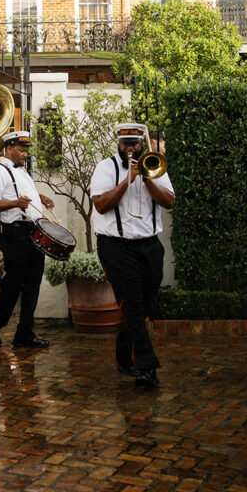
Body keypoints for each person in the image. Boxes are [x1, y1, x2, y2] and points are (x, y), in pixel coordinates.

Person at [90, 121, 175, 390]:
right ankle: (146, 368)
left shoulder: (154, 163)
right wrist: (129, 181)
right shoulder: (106, 167)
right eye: (125, 143)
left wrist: (148, 179)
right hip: (116, 247)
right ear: (118, 142)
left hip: (149, 246)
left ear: (142, 143)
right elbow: (101, 204)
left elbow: (169, 201)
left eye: (134, 143)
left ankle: (124, 355)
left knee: (144, 305)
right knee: (134, 306)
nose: (130, 148)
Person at [0, 131, 55, 350]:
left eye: (26, 150)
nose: (25, 154)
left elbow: (24, 194)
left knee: (33, 285)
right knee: (13, 284)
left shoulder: (22, 170)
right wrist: (16, 204)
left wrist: (39, 197)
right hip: (15, 234)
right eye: (21, 150)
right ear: (9, 149)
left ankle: (24, 333)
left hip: (33, 231)